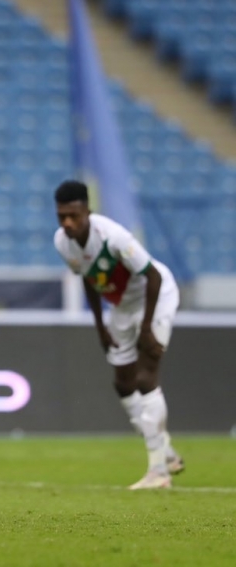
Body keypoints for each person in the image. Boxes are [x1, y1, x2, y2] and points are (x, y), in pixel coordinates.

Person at [53, 180, 184, 490]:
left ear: (88, 211)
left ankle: (158, 471)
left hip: (156, 297)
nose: (68, 223)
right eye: (62, 217)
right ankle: (165, 450)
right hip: (123, 306)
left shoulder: (113, 236)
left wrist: (148, 327)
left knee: (145, 377)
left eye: (73, 215)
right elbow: (88, 278)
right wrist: (100, 326)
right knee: (123, 383)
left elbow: (151, 275)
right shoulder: (62, 242)